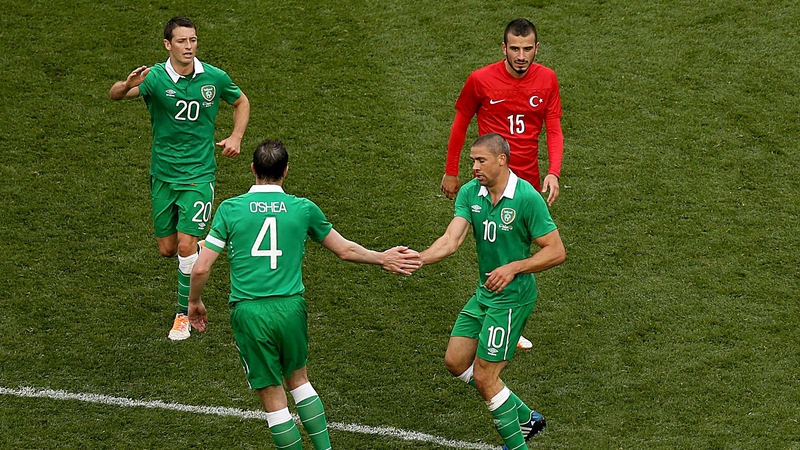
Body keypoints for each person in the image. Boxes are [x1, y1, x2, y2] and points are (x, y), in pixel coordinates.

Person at [187, 139, 421, 450]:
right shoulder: (302, 208)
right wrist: (382, 257)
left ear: (253, 168)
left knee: (273, 396)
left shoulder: (231, 209)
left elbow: (201, 268)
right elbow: (346, 250)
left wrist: (194, 302)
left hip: (250, 312)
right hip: (291, 308)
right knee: (299, 381)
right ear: (285, 171)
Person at [109, 16, 250, 340]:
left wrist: (236, 137)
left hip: (199, 174)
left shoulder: (213, 77)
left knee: (185, 246)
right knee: (168, 249)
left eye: (193, 40)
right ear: (167, 44)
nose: (189, 46)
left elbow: (240, 100)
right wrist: (128, 84)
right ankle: (198, 247)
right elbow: (115, 95)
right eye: (182, 41)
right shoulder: (155, 78)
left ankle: (184, 312)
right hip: (163, 175)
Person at [421, 133, 565, 449]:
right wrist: (419, 259)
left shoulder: (526, 198)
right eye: (472, 160)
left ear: (502, 160)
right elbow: (451, 239)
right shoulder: (472, 193)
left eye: (480, 160)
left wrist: (514, 267)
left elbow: (556, 251)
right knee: (456, 362)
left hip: (513, 299)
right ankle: (527, 418)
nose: (473, 167)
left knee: (486, 378)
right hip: (485, 294)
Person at [440, 17, 564, 351]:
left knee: (518, 247)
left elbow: (553, 127)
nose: (521, 56)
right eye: (515, 49)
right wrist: (452, 171)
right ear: (504, 48)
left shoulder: (548, 79)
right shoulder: (480, 80)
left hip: (528, 180)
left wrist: (554, 171)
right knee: (488, 243)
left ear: (537, 48)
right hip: (491, 176)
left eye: (527, 49)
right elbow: (460, 124)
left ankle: (508, 314)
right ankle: (501, 314)